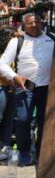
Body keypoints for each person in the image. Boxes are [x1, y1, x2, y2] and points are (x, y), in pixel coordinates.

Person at [0, 13, 53, 166]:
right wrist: (14, 76)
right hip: (25, 88)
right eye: (30, 23)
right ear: (24, 26)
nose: (34, 25)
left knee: (44, 121)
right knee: (22, 120)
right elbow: (2, 64)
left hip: (47, 88)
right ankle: (24, 152)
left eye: (37, 22)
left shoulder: (52, 39)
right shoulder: (17, 41)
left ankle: (41, 151)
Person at [0, 26, 17, 161]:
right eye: (13, 36)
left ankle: (5, 146)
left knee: (9, 119)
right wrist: (13, 83)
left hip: (12, 89)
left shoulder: (15, 52)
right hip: (2, 88)